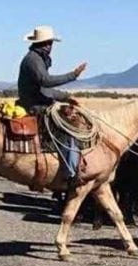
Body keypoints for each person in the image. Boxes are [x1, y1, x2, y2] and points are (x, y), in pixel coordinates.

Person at [16, 25, 87, 190]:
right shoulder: (33, 59)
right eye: (46, 43)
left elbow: (44, 89)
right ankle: (70, 176)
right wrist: (73, 75)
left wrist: (66, 97)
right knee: (68, 132)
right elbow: (45, 81)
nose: (49, 46)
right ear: (38, 44)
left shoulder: (38, 58)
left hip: (37, 100)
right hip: (35, 106)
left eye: (50, 43)